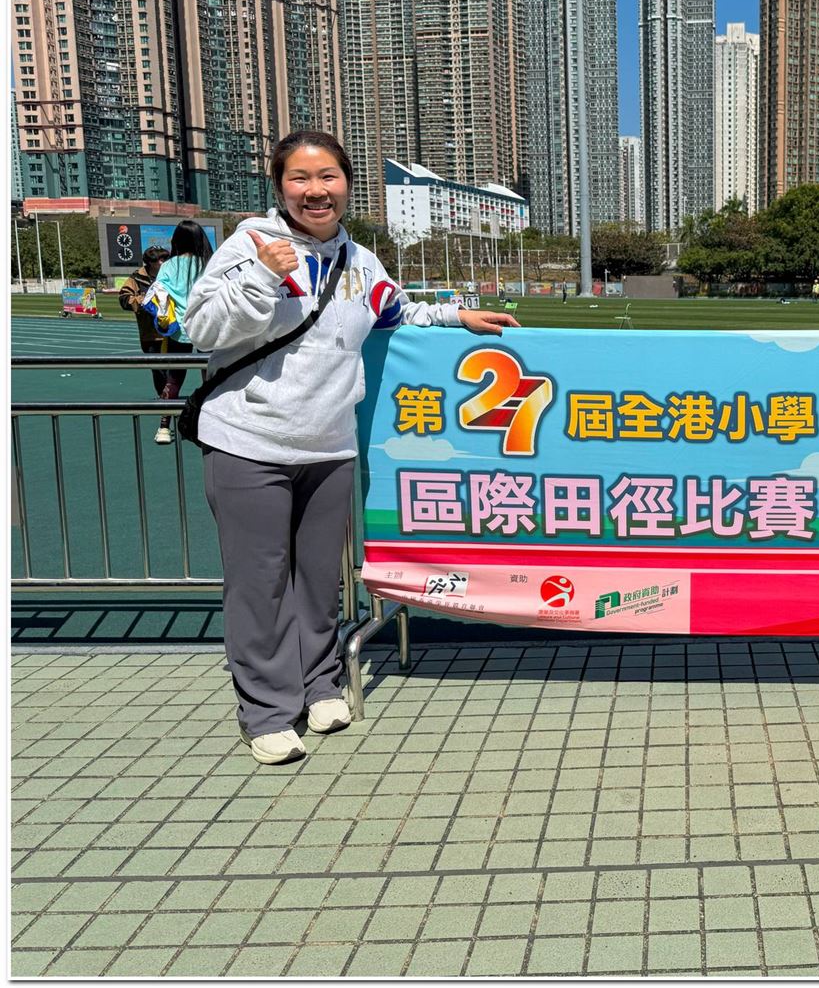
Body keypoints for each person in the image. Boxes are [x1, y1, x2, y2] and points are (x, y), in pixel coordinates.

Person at [183, 130, 519, 766]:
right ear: (279, 187)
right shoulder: (251, 244)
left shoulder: (359, 259)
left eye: (328, 177)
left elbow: (394, 311)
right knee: (259, 583)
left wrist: (457, 317)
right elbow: (201, 328)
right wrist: (263, 275)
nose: (316, 191)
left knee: (319, 580)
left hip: (329, 445)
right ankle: (267, 710)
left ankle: (318, 684)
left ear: (346, 184)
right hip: (248, 443)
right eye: (300, 178)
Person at [119, 245, 193, 444]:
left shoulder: (173, 273)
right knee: (159, 372)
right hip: (151, 334)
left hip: (173, 331)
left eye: (165, 258)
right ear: (150, 262)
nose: (163, 262)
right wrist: (145, 301)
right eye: (159, 259)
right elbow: (124, 299)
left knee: (173, 374)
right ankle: (165, 406)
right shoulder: (136, 278)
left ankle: (167, 412)